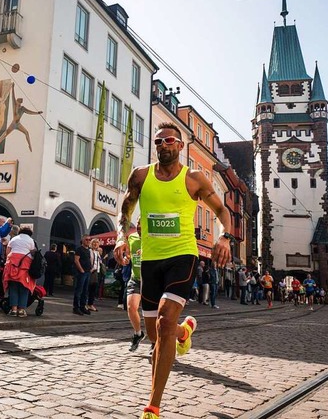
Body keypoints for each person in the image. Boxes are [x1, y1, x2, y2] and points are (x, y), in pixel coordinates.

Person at [113, 122, 232, 419]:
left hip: (183, 255)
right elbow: (125, 210)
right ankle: (183, 331)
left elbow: (221, 211)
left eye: (169, 140)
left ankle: (153, 405)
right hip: (151, 260)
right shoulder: (141, 175)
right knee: (156, 333)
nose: (163, 145)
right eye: (158, 141)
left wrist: (224, 236)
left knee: (164, 321)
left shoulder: (194, 178)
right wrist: (121, 236)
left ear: (180, 146)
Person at [3, 227, 37, 317]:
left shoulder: (14, 239)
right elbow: (33, 253)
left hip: (12, 264)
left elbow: (8, 251)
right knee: (24, 288)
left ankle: (13, 309)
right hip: (25, 265)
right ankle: (21, 310)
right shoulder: (31, 240)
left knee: (13, 287)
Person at [126, 218, 146, 351]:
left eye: (142, 225)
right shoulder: (131, 237)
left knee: (153, 314)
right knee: (131, 307)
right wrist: (126, 258)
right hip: (136, 278)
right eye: (138, 224)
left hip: (151, 280)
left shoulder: (153, 239)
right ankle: (138, 333)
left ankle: (155, 342)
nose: (139, 227)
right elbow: (128, 254)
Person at [73, 235, 93, 316]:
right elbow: (76, 260)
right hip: (82, 273)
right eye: (86, 240)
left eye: (89, 240)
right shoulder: (79, 249)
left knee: (85, 291)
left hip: (88, 272)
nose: (88, 241)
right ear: (83, 240)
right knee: (79, 290)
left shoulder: (88, 250)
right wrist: (81, 270)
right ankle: (76, 307)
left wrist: (91, 268)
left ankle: (82, 306)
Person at [87, 238, 102, 312]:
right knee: (88, 288)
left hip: (97, 272)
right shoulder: (89, 251)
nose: (95, 244)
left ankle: (90, 304)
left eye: (97, 243)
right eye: (94, 243)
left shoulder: (97, 253)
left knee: (93, 289)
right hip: (91, 271)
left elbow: (99, 262)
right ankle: (86, 304)